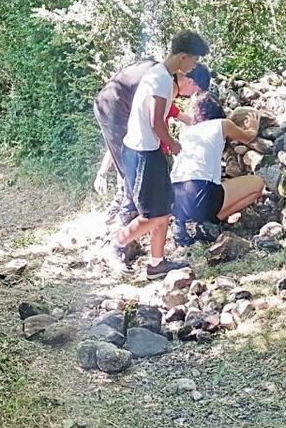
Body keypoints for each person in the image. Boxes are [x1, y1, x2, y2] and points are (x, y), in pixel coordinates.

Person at [111, 31, 209, 279]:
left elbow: (163, 114)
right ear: (183, 57)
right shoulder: (162, 80)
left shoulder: (159, 75)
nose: (193, 67)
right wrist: (173, 143)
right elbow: (156, 121)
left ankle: (157, 263)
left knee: (163, 210)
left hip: (148, 150)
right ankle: (117, 244)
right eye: (194, 61)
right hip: (143, 152)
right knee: (150, 216)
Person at [93, 62, 211, 224]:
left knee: (133, 156)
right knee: (132, 160)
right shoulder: (166, 83)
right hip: (113, 105)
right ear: (190, 82)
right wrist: (172, 144)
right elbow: (155, 123)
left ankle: (128, 206)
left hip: (113, 102)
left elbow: (169, 111)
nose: (192, 95)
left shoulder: (166, 76)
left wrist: (191, 121)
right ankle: (128, 213)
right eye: (196, 91)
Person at [170, 95, 265, 246]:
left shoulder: (187, 133)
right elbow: (247, 137)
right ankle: (211, 221)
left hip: (176, 198)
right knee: (258, 184)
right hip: (201, 194)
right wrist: (253, 126)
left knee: (217, 185)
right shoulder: (222, 124)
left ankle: (197, 223)